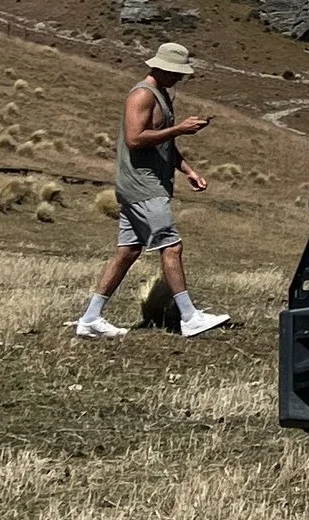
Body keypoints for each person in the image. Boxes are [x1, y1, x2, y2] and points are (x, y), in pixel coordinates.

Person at [77, 40, 231, 339]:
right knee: (171, 246)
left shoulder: (162, 96)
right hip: (142, 185)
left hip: (147, 183)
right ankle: (189, 317)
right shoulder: (142, 95)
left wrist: (188, 170)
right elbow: (136, 139)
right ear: (158, 67)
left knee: (129, 250)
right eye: (175, 72)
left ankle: (91, 318)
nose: (179, 78)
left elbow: (163, 143)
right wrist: (179, 129)